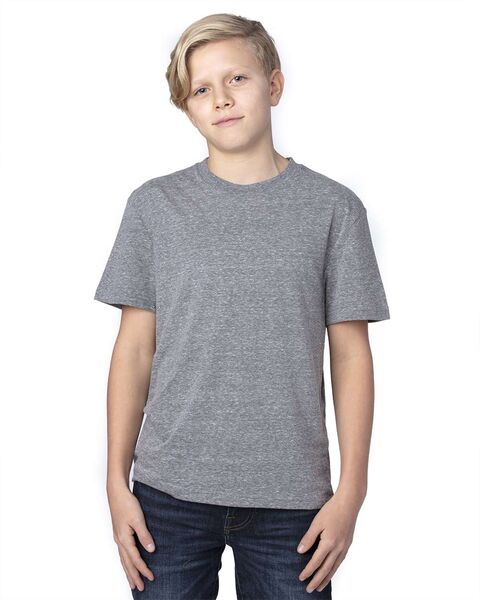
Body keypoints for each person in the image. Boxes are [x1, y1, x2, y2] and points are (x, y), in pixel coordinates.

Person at [93, 12, 390, 599]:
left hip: (293, 503)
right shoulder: (154, 207)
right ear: (187, 107)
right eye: (201, 89)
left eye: (237, 79)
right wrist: (114, 483)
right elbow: (134, 350)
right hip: (166, 498)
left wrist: (352, 491)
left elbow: (351, 355)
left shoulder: (333, 209)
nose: (222, 100)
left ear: (273, 85)